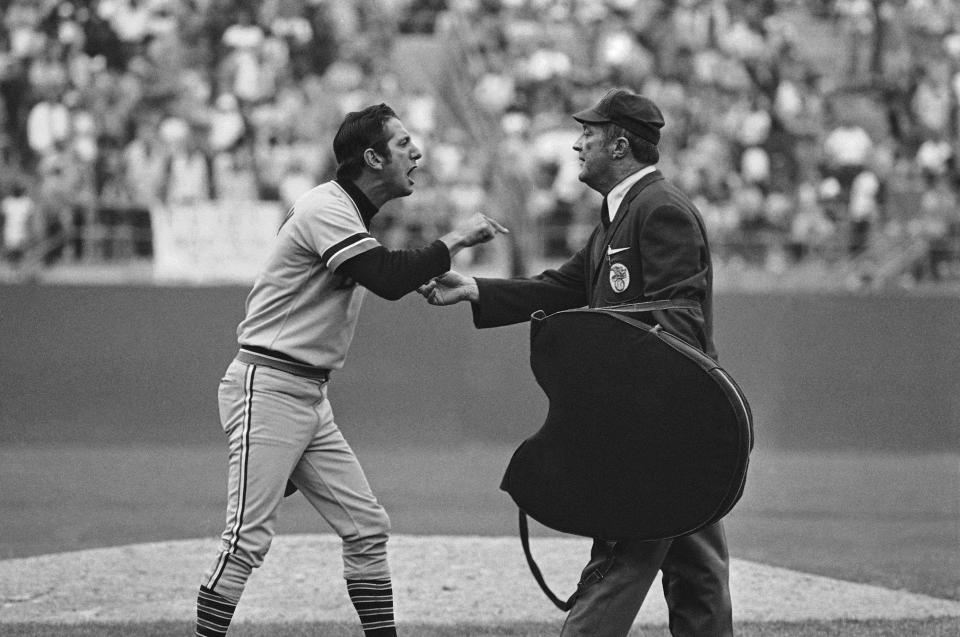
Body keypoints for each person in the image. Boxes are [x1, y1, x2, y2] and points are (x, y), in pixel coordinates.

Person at [420, 88, 732, 636]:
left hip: (658, 423)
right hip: (673, 425)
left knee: (622, 550)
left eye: (587, 133)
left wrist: (603, 352)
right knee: (696, 566)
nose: (576, 143)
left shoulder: (661, 210)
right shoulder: (622, 213)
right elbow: (565, 287)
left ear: (619, 144)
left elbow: (680, 315)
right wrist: (474, 288)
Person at [195, 102, 508, 637]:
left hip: (305, 396)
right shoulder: (326, 204)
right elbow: (386, 277)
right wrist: (453, 241)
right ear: (371, 156)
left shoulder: (348, 212)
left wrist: (420, 268)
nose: (417, 152)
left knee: (366, 528)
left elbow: (387, 270)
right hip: (268, 387)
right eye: (404, 143)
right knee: (246, 537)